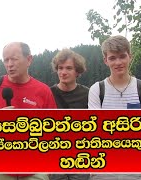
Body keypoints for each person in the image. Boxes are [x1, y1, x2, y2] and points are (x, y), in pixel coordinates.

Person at [0, 42, 57, 180]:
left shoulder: (43, 90)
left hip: (34, 170)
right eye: (6, 60)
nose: (9, 64)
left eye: (14, 59)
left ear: (29, 60)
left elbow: (54, 130)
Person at [88, 35, 141, 180]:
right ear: (105, 60)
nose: (118, 62)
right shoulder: (97, 89)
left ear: (130, 57)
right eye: (112, 58)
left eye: (122, 56)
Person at [49, 49, 90, 180]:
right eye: (60, 68)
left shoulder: (88, 94)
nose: (63, 72)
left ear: (77, 71)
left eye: (69, 68)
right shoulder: (48, 93)